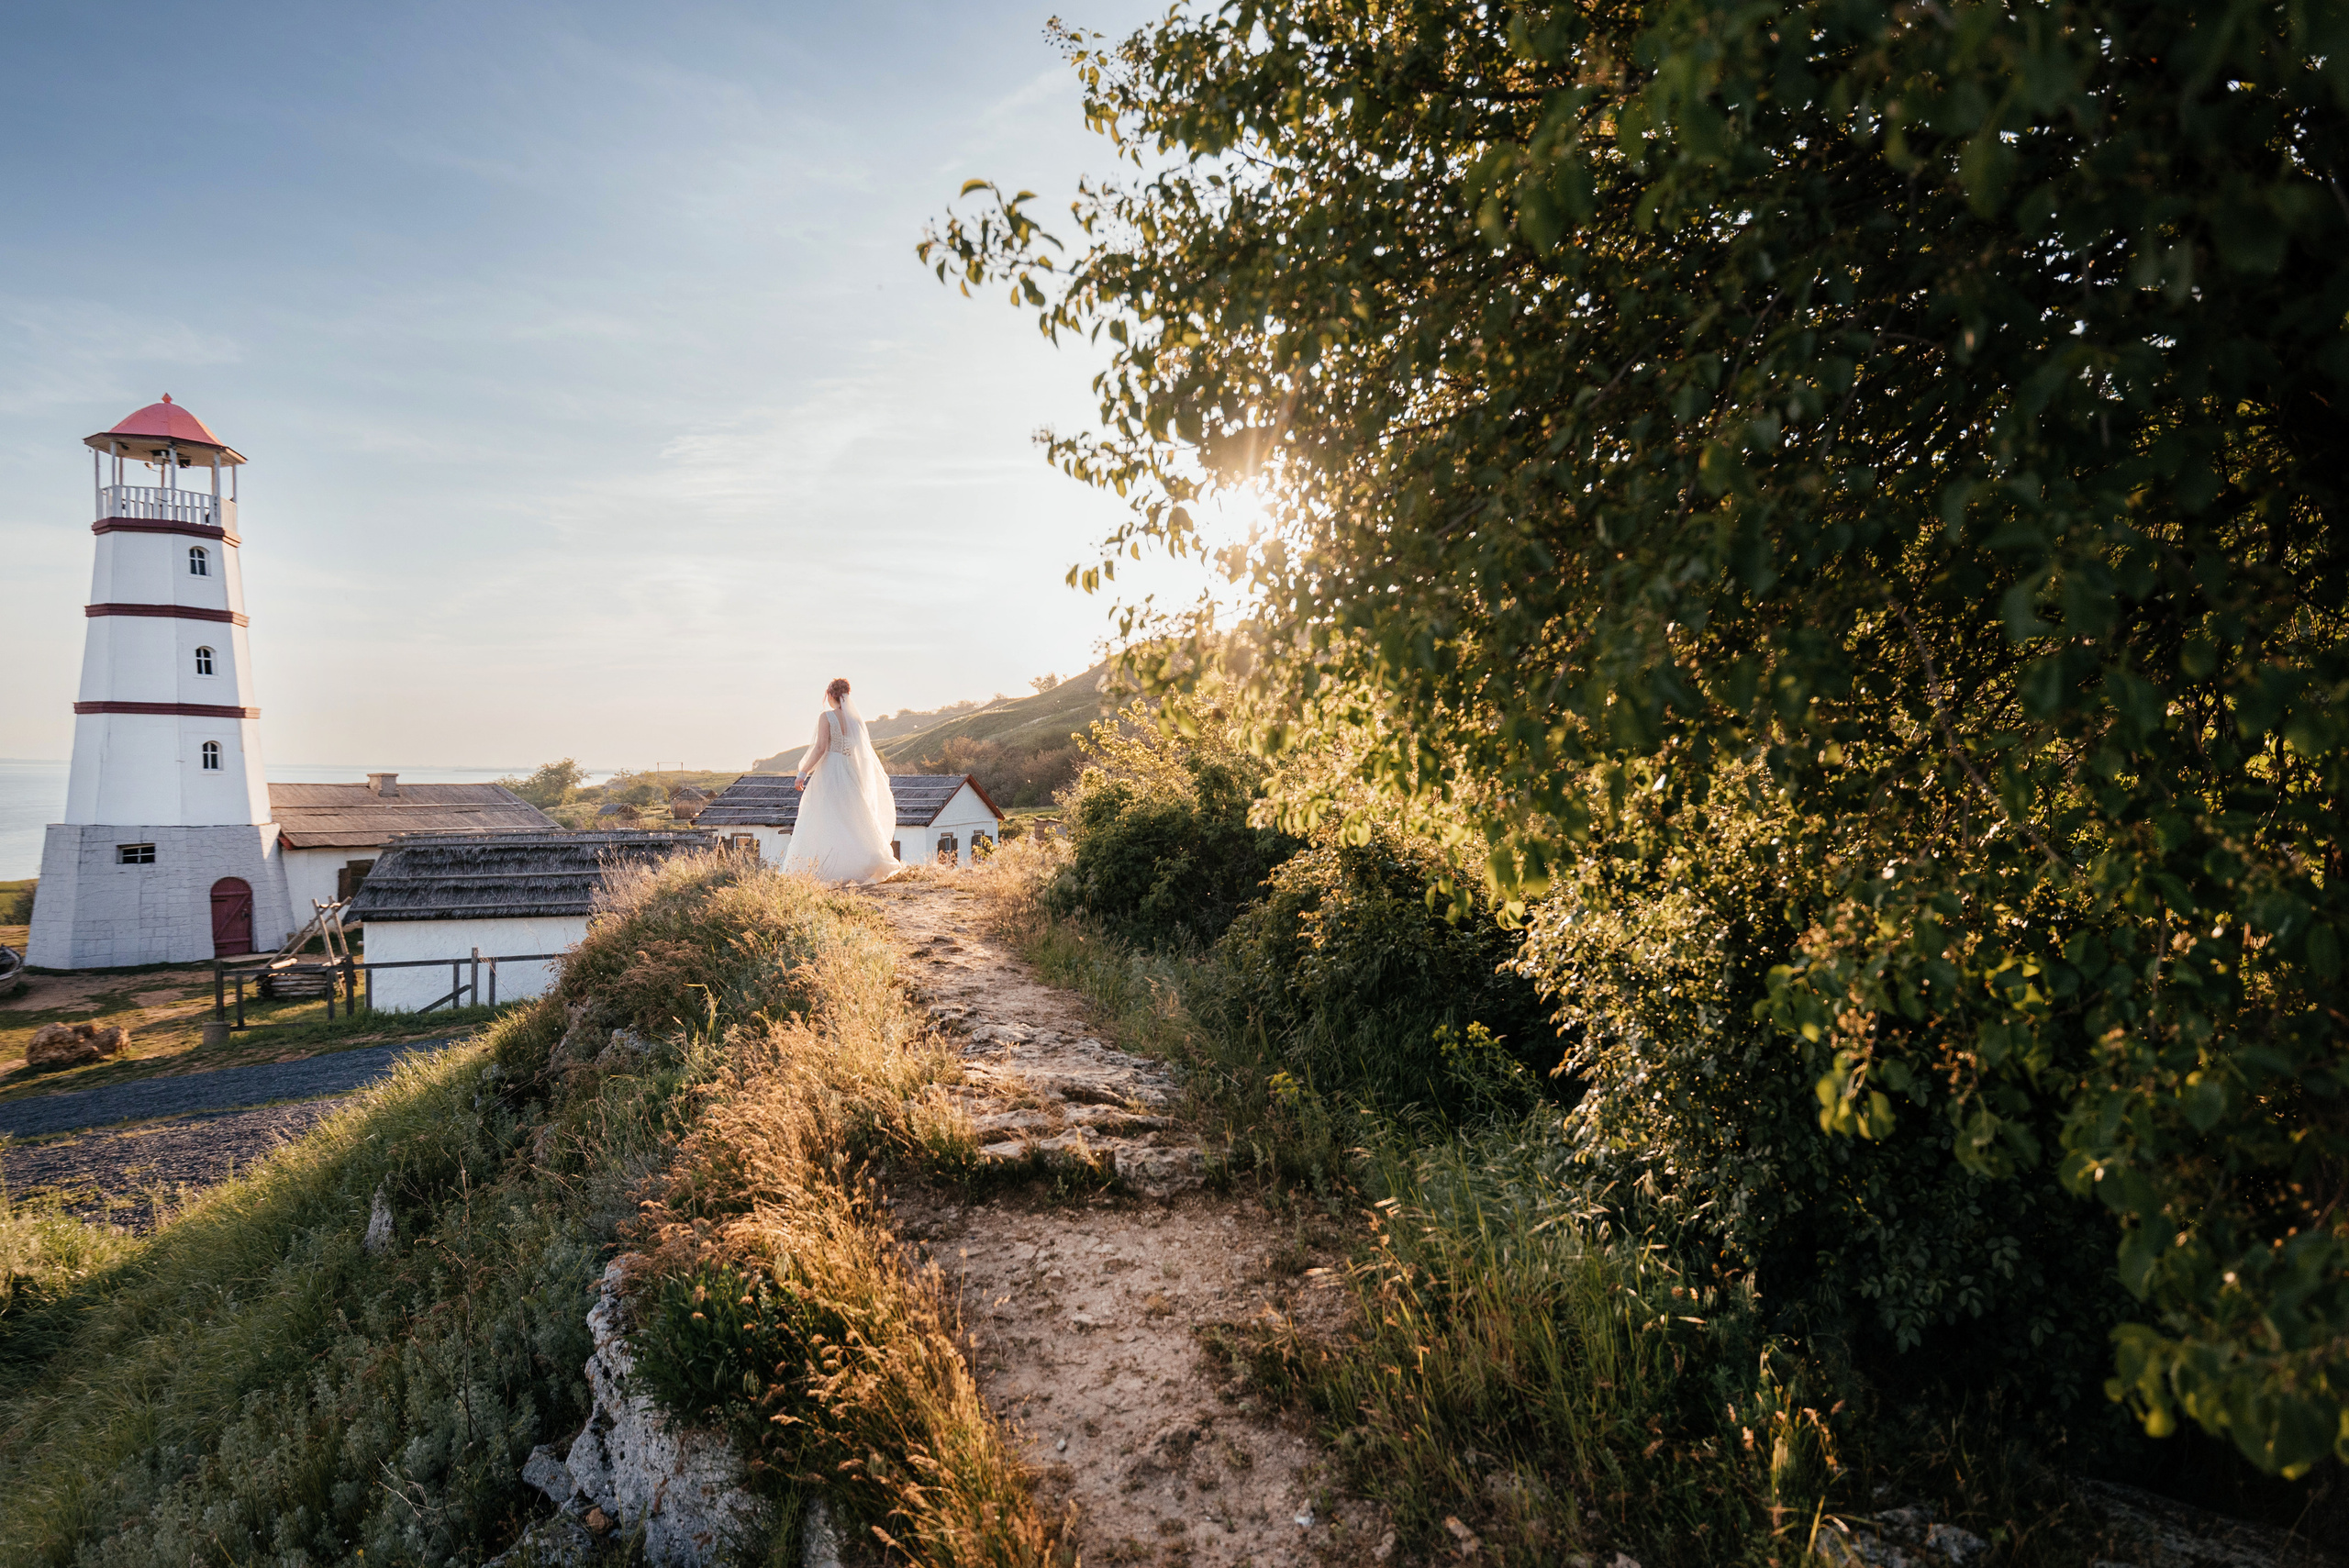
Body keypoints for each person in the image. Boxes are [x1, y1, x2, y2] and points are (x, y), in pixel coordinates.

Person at [786, 677, 901, 884]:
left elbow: (820, 748)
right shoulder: (856, 721)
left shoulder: (827, 717)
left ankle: (830, 869)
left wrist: (803, 771)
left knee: (825, 817)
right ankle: (867, 860)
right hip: (850, 771)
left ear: (831, 695)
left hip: (830, 770)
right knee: (852, 818)